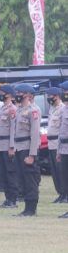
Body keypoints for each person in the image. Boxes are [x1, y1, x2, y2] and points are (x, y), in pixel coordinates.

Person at [12, 83, 41, 216]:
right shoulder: (18, 110)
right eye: (17, 93)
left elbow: (35, 134)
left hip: (27, 149)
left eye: (20, 93)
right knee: (22, 178)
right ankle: (26, 207)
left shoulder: (33, 110)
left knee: (30, 179)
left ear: (28, 95)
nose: (17, 95)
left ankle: (31, 208)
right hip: (19, 148)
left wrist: (32, 155)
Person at [0, 85, 19, 208]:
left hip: (8, 145)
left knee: (10, 173)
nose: (0, 94)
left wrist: (12, 147)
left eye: (2, 93)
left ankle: (13, 200)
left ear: (8, 95)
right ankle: (7, 199)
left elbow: (13, 129)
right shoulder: (1, 108)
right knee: (3, 174)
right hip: (0, 146)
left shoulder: (12, 109)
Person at [45, 87, 65, 203]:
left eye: (50, 96)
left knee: (61, 171)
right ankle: (60, 193)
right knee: (55, 172)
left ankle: (65, 194)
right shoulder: (52, 109)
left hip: (58, 143)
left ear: (56, 96)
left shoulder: (62, 109)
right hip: (50, 143)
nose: (48, 98)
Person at [58, 81, 68, 218]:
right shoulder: (64, 109)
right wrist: (59, 151)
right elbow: (61, 133)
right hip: (64, 149)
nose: (63, 94)